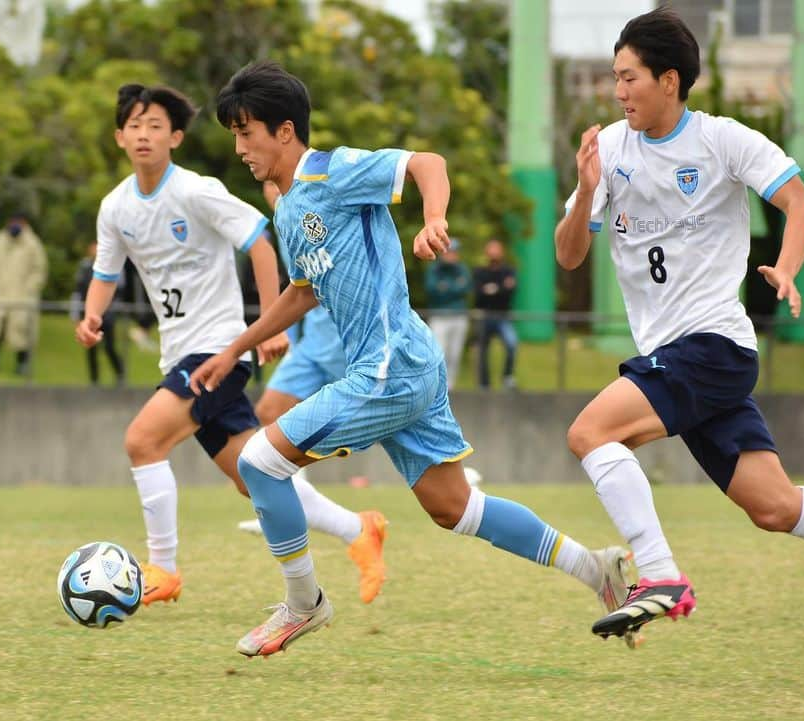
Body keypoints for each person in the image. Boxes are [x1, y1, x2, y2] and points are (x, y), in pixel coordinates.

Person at [192, 60, 635, 658]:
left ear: (285, 130)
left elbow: (429, 165)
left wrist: (433, 220)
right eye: (235, 135)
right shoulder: (289, 209)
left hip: (389, 366)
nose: (240, 147)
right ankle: (595, 570)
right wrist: (236, 348)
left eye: (247, 133)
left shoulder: (335, 170)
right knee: (454, 507)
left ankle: (303, 605)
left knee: (259, 461)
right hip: (406, 366)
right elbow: (301, 292)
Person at [555, 7, 804, 643]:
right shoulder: (610, 150)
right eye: (614, 79)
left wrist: (785, 269)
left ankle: (661, 575)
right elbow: (568, 255)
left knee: (590, 433)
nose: (618, 93)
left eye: (630, 79)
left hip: (712, 345)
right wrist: (586, 191)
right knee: (775, 507)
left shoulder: (724, 140)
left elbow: (801, 205)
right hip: (685, 359)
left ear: (669, 80)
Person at [75, 83, 389, 608]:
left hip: (217, 350)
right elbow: (107, 272)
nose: (145, 135)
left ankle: (164, 568)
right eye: (135, 126)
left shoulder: (196, 191)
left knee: (142, 441)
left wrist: (270, 324)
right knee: (254, 474)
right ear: (119, 138)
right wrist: (91, 314)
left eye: (156, 126)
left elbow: (258, 243)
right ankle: (359, 528)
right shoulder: (115, 207)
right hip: (179, 352)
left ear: (175, 136)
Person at [236, 180, 390, 604]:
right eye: (265, 186)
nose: (270, 190)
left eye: (273, 182)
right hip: (310, 346)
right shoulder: (284, 221)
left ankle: (456, 474)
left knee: (392, 427)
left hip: (348, 343)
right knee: (268, 411)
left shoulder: (316, 210)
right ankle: (293, 505)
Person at [0, 212, 47, 375]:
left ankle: (22, 364)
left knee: (20, 330)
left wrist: (30, 289)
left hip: (22, 294)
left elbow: (39, 270)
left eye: (18, 222)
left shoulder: (33, 244)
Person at [72, 242, 126, 386]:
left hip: (108, 315)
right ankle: (94, 380)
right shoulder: (85, 267)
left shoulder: (114, 265)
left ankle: (120, 373)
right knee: (91, 348)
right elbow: (78, 290)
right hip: (90, 314)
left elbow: (118, 289)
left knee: (109, 346)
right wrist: (77, 315)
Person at [423, 237, 471, 388]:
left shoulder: (462, 269)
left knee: (454, 354)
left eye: (454, 252)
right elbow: (433, 290)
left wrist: (445, 288)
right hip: (439, 316)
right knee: (438, 352)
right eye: (448, 252)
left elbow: (465, 289)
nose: (451, 255)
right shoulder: (434, 269)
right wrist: (453, 288)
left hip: (458, 317)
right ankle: (437, 386)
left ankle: (451, 387)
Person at [473, 239, 519, 390]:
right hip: (485, 316)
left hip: (502, 316)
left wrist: (492, 290)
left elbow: (509, 292)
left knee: (512, 343)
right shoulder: (480, 272)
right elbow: (479, 294)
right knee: (482, 350)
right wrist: (500, 288)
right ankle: (484, 384)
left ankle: (508, 376)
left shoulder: (508, 271)